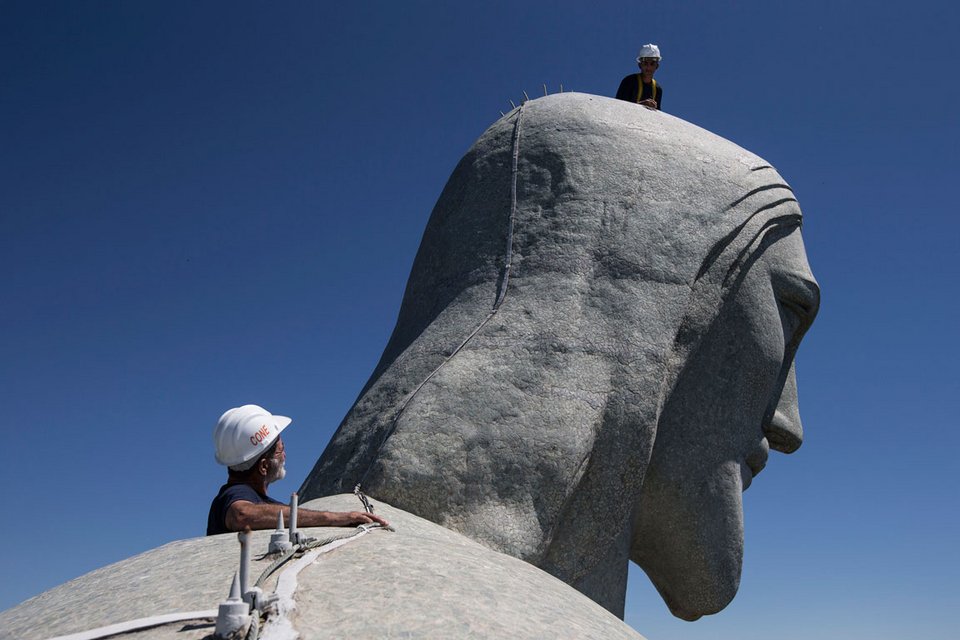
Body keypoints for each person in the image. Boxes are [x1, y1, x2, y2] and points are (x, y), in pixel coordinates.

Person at [207, 404, 389, 535]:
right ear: (264, 466)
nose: (285, 456)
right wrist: (333, 517)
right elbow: (241, 514)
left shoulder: (254, 499)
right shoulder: (235, 494)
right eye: (281, 449)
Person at [615, 43, 663, 110]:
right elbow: (618, 106)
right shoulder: (629, 81)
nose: (648, 67)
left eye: (652, 63)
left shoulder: (657, 89)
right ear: (640, 65)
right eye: (645, 63)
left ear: (657, 66)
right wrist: (641, 105)